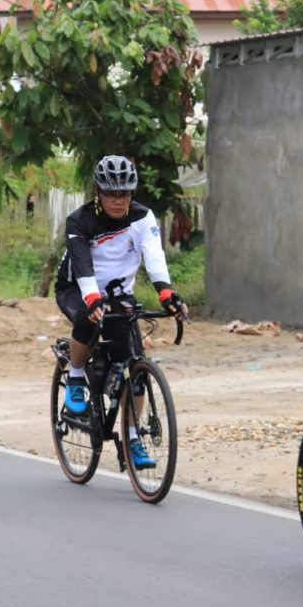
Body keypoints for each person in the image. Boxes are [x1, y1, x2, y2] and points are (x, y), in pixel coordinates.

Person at [54, 154, 188, 470]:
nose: (119, 200)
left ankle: (132, 439)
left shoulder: (143, 218)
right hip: (77, 288)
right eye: (112, 193)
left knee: (134, 368)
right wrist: (91, 298)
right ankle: (75, 378)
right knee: (90, 315)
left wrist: (166, 292)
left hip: (116, 295)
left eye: (124, 193)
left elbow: (154, 258)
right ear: (98, 192)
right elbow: (84, 266)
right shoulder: (79, 221)